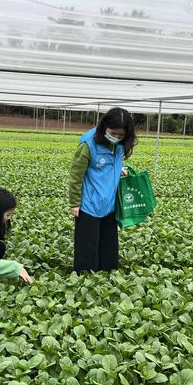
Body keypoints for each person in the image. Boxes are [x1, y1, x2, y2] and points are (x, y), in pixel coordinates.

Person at [69, 107, 137, 273]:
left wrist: (119, 168)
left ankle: (107, 278)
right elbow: (76, 175)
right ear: (104, 126)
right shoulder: (88, 144)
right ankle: (85, 279)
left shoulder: (120, 145)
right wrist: (74, 203)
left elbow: (109, 163)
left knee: (109, 247)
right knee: (88, 249)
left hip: (109, 204)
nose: (116, 138)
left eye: (121, 136)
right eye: (113, 133)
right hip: (88, 204)